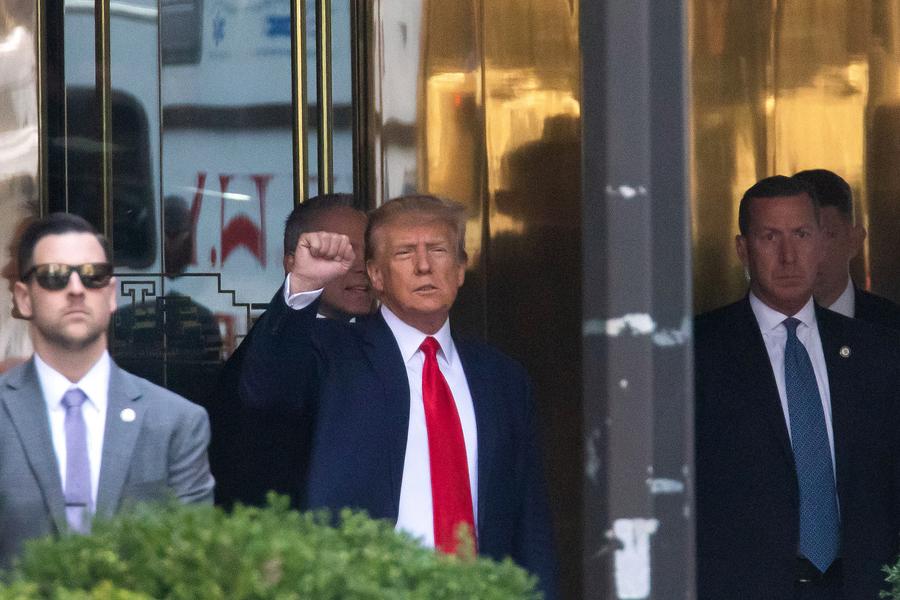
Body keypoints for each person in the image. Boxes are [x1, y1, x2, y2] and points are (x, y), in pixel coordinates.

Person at [236, 194, 558, 597]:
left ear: (460, 269)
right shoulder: (334, 353)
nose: (424, 266)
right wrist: (301, 288)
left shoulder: (501, 378)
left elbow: (529, 520)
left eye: (438, 250)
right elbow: (264, 391)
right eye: (405, 253)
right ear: (376, 275)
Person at [694, 175, 900, 600]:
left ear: (822, 244)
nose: (788, 256)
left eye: (802, 235)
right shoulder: (698, 352)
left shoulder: (876, 352)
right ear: (742, 249)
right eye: (770, 237)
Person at [0, 213, 214, 566]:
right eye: (54, 276)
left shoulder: (177, 422)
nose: (76, 289)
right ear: (24, 298)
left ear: (111, 294)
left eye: (93, 275)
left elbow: (192, 564)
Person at [209, 193, 375, 507]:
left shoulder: (379, 340)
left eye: (369, 252)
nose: (360, 267)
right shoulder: (273, 345)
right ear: (293, 263)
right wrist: (304, 286)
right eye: (340, 251)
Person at [793, 168, 900, 329]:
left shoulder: (892, 327)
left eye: (828, 236)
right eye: (801, 236)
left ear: (854, 240)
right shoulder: (752, 328)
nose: (813, 254)